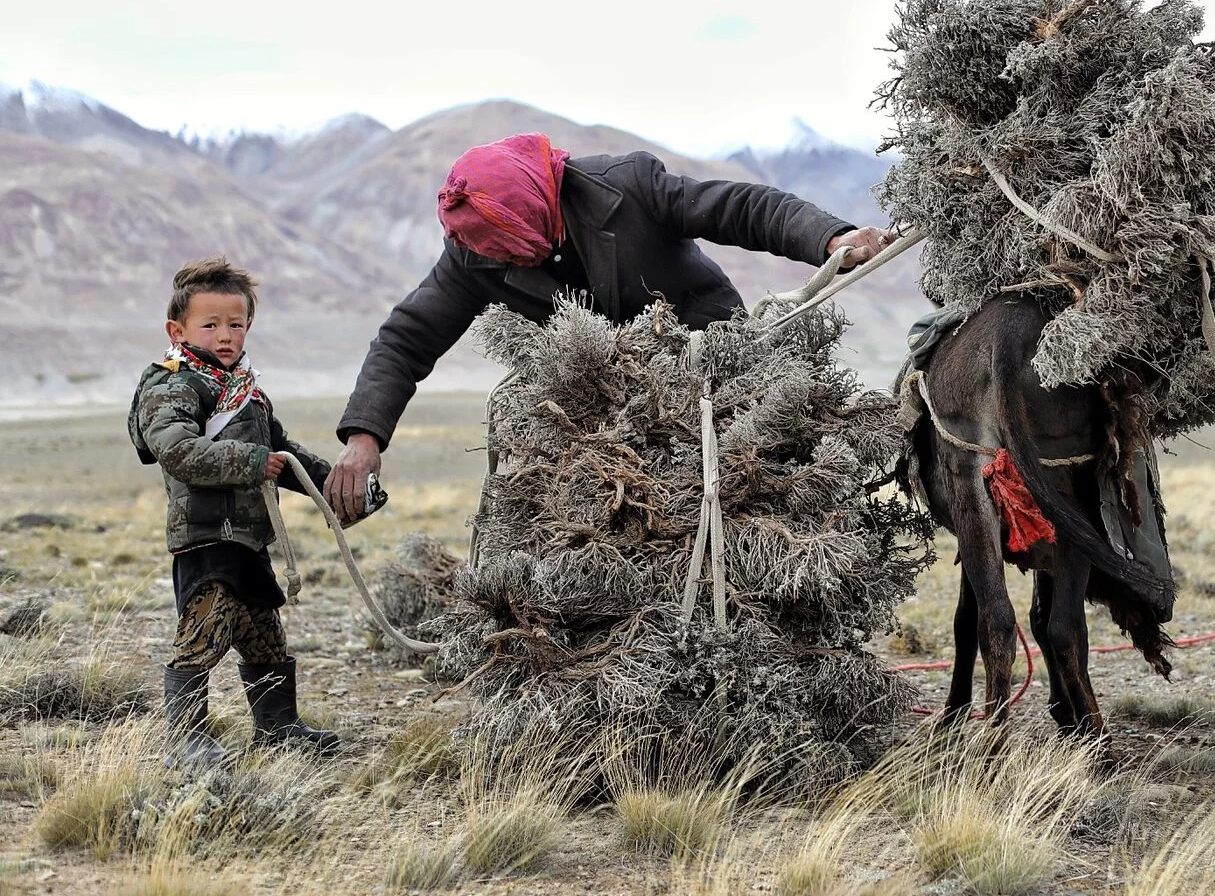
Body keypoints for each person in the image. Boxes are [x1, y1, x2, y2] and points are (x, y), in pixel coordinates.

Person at [325, 133, 896, 521]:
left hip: (709, 369)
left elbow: (741, 207)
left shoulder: (627, 186)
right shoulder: (475, 250)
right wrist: (363, 439)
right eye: (504, 256)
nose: (515, 263)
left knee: (752, 500)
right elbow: (406, 338)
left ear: (539, 202)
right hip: (599, 414)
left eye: (521, 248)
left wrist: (828, 237)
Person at [128, 258, 344, 766]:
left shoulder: (244, 392)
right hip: (205, 537)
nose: (225, 335)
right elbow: (178, 450)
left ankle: (278, 727)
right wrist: (253, 461)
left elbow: (282, 453)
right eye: (210, 325)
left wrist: (340, 488)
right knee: (203, 634)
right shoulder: (172, 385)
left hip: (246, 537)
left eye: (236, 323)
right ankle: (184, 740)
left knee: (264, 635)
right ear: (176, 330)